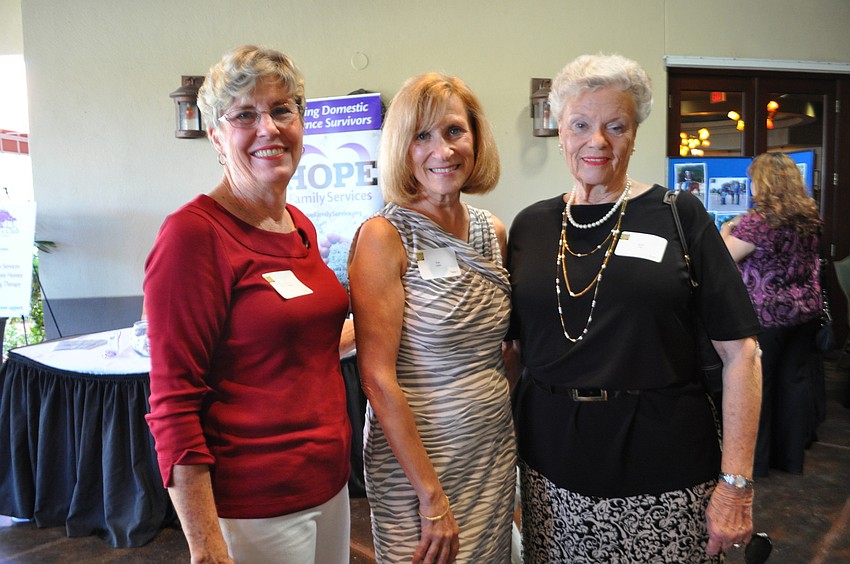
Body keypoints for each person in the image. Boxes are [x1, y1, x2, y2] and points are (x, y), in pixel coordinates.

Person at [506, 53, 762, 562]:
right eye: (581, 124)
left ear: (634, 132)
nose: (596, 141)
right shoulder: (530, 227)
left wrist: (736, 485)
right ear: (560, 130)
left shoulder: (678, 215)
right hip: (550, 467)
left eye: (615, 126)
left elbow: (742, 355)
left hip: (663, 463)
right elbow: (512, 351)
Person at [144, 45, 354, 563]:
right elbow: (173, 405)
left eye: (282, 110)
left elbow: (311, 345)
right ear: (216, 135)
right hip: (254, 507)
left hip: (330, 485)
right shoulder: (193, 236)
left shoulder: (299, 224)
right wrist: (207, 547)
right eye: (245, 114)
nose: (269, 128)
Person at [348, 72, 515, 563]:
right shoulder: (383, 237)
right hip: (418, 464)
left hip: (490, 448)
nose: (442, 150)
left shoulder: (494, 232)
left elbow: (505, 352)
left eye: (453, 131)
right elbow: (377, 379)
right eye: (422, 136)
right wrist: (430, 496)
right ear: (402, 147)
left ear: (476, 138)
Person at [721, 152, 823, 477]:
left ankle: (758, 463)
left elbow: (724, 258)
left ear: (763, 182)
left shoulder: (758, 222)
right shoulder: (810, 217)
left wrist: (726, 228)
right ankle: (790, 459)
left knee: (758, 387)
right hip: (805, 313)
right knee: (794, 384)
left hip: (767, 316)